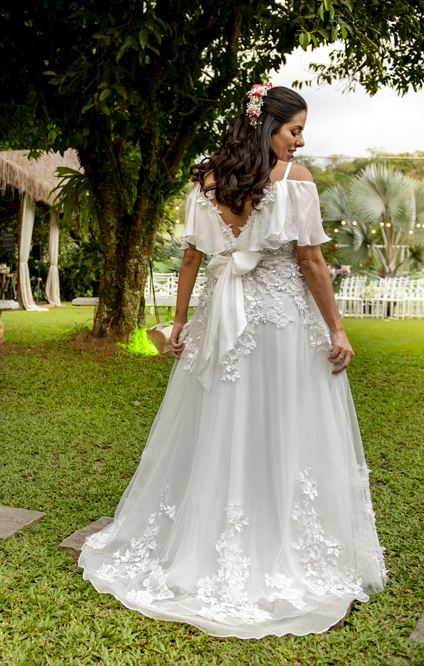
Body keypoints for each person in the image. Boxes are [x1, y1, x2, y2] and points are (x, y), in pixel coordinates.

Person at [77, 84, 387, 638]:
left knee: (221, 419)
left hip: (224, 315)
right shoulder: (295, 182)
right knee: (281, 423)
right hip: (283, 321)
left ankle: (211, 538)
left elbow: (192, 256)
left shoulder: (206, 182)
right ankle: (272, 539)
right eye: (294, 130)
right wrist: (336, 328)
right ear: (267, 127)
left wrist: (178, 323)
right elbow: (311, 261)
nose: (300, 140)